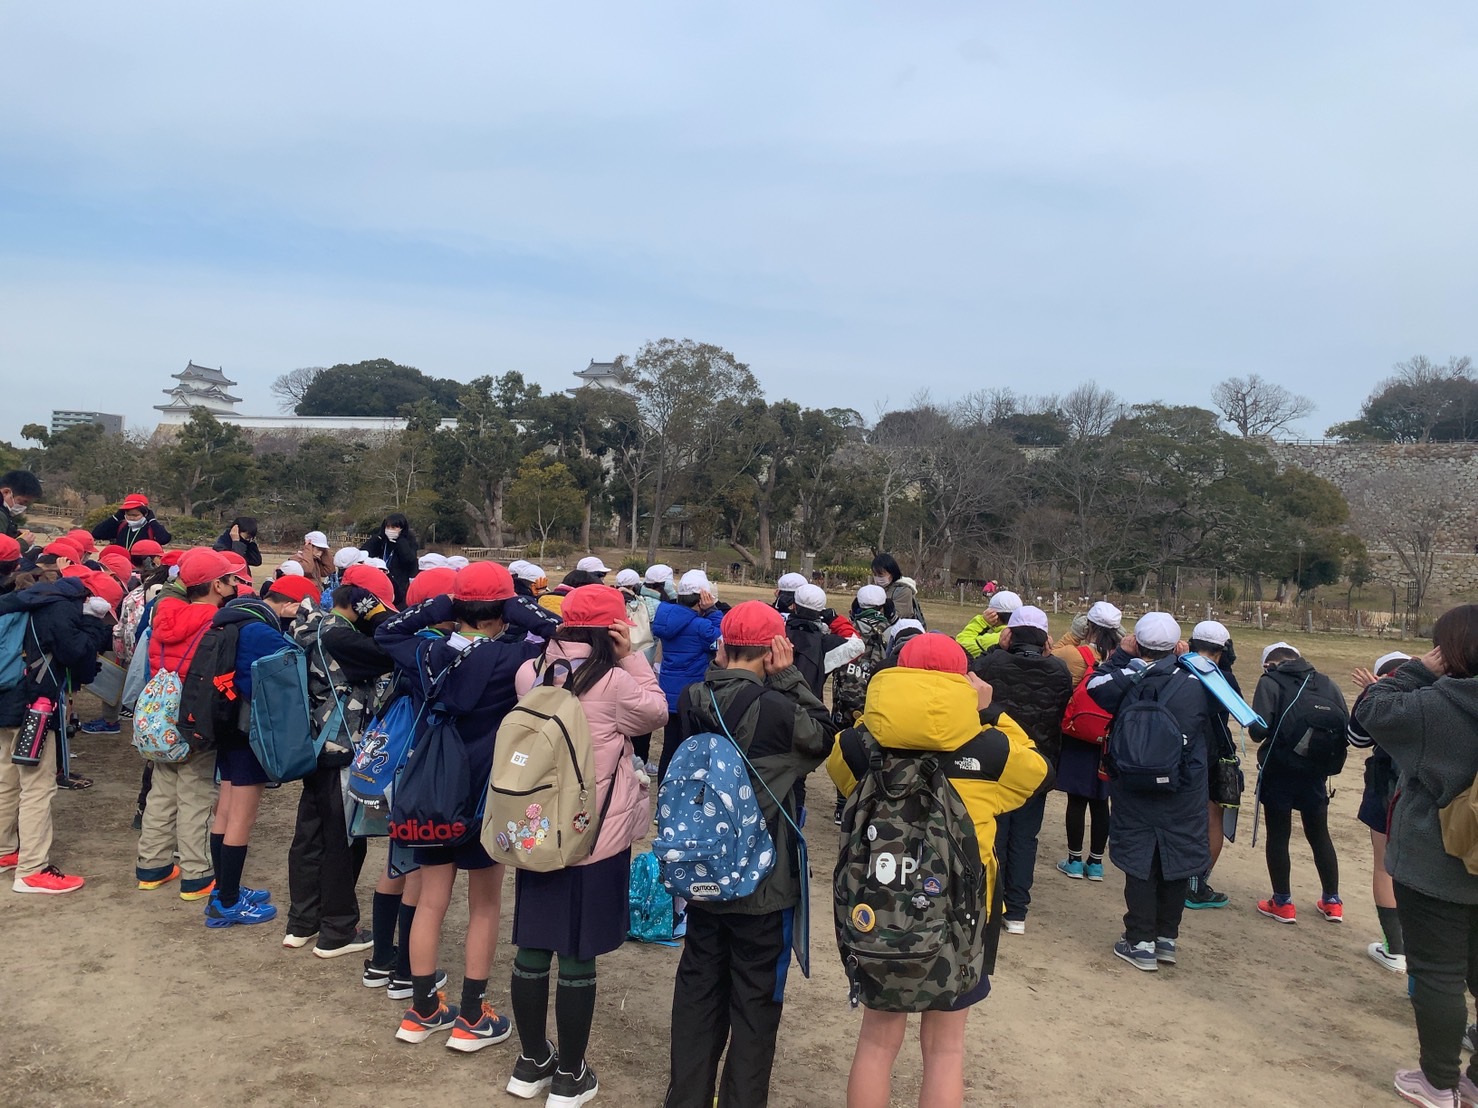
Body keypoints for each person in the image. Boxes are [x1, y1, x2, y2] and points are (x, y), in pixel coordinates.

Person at [828, 633, 1050, 1108]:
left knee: (876, 1041)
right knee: (946, 1048)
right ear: (964, 681)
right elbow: (1036, 773)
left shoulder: (855, 745)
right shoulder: (990, 750)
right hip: (963, 913)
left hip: (879, 908)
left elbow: (845, 781)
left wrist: (879, 713)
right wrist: (991, 713)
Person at [664, 601, 836, 1108]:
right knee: (756, 1004)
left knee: (697, 989)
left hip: (703, 867)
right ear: (774, 651)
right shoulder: (781, 713)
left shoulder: (693, 698)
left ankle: (687, 1097)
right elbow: (822, 737)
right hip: (764, 882)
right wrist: (790, 680)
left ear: (723, 646)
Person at [506, 585, 668, 1104]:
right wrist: (635, 658)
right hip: (593, 833)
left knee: (533, 942)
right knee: (578, 951)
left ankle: (531, 1062)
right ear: (612, 629)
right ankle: (570, 1076)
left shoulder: (531, 672)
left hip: (537, 827)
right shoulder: (617, 681)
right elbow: (656, 713)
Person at [376, 561, 541, 1047]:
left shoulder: (427, 652)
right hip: (486, 793)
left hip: (432, 787)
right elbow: (559, 633)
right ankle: (472, 1015)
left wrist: (443, 603)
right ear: (504, 609)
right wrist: (519, 608)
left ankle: (423, 1008)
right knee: (485, 905)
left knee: (430, 900)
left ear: (456, 608)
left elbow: (387, 630)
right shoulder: (517, 659)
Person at [1354, 606, 1478, 1108]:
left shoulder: (1440, 705)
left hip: (1439, 860)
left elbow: (1371, 710)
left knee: (1438, 973)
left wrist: (1416, 670)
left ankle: (1438, 1082)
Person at [1086, 612, 1213, 971]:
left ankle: (1139, 940)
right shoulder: (1197, 679)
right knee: (1176, 859)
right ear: (1176, 645)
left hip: (1133, 780)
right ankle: (1165, 938)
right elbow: (1229, 705)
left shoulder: (1127, 677)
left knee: (1140, 858)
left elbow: (1093, 688)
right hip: (1184, 785)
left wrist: (1124, 657)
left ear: (1136, 642)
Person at [284, 577, 396, 956]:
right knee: (343, 840)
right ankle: (338, 930)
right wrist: (378, 616)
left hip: (312, 744)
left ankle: (302, 923)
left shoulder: (308, 625)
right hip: (343, 747)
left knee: (309, 836)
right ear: (363, 602)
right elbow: (389, 650)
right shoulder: (342, 637)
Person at [204, 573, 320, 928]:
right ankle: (227, 903)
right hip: (247, 730)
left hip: (223, 724)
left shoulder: (233, 618)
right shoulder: (262, 632)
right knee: (242, 817)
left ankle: (225, 889)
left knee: (224, 810)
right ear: (289, 605)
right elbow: (297, 662)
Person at [0, 569, 113, 893]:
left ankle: (4, 850)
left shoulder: (23, 600)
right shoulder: (61, 609)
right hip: (33, 705)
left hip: (5, 697)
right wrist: (94, 622)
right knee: (37, 786)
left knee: (7, 776)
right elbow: (79, 656)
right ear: (88, 597)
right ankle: (32, 869)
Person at [135, 548, 235, 901]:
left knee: (162, 794)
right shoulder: (217, 622)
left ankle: (152, 866)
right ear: (216, 586)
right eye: (229, 578)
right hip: (193, 718)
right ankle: (197, 873)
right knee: (195, 797)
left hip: (159, 718)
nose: (235, 583)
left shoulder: (163, 614)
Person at [969, 605, 1072, 934]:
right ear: (1046, 641)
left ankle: (988, 904)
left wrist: (995, 647)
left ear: (1008, 634)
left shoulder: (988, 663)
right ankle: (1016, 911)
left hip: (994, 762)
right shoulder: (1059, 671)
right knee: (1026, 838)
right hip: (1036, 766)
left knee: (993, 833)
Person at [1249, 642, 1347, 925]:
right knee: (1319, 835)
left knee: (1279, 836)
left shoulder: (1269, 681)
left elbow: (1258, 731)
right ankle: (1332, 901)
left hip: (1279, 769)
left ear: (1270, 664)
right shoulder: (1327, 683)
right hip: (1316, 772)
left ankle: (1282, 902)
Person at [1348, 651, 1413, 973]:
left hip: (1387, 790)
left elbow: (1356, 738)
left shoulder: (1384, 699)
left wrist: (1372, 694)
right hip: (1433, 795)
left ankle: (1395, 948)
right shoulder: (1435, 695)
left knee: (1385, 867)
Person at [1052, 603, 1122, 881]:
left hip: (1078, 733)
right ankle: (1096, 863)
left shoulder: (1074, 653)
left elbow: (1050, 655)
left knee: (1077, 799)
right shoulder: (1122, 657)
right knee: (1100, 800)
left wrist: (1072, 635)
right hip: (1108, 736)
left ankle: (1074, 859)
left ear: (1088, 625)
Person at [1183, 620, 1243, 911]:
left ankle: (1177, 875)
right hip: (1215, 750)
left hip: (1182, 749)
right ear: (1222, 650)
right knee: (1212, 819)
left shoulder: (1179, 667)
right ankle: (1196, 884)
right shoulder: (1225, 677)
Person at [651, 570, 725, 784]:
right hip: (693, 697)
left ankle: (663, 797)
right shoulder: (701, 626)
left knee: (669, 747)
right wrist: (713, 610)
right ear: (703, 598)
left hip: (669, 694)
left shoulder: (666, 618)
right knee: (692, 749)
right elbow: (720, 640)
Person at [365, 514, 419, 607]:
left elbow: (409, 560)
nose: (390, 530)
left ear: (402, 528)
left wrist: (400, 541)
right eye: (388, 527)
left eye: (394, 527)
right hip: (381, 583)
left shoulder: (409, 542)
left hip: (400, 585)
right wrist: (376, 539)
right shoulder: (383, 542)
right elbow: (364, 553)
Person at [955, 590, 1023, 659]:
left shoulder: (992, 640)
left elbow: (961, 645)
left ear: (993, 615)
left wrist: (982, 621)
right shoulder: (1029, 637)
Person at [91, 493, 172, 550]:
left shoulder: (151, 528)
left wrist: (152, 520)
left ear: (145, 514)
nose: (131, 518)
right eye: (128, 515)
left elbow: (164, 539)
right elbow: (97, 534)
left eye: (135, 515)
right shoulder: (121, 527)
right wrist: (115, 517)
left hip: (144, 570)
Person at [870, 553, 925, 628]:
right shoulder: (875, 589)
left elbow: (896, 616)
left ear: (892, 573)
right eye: (875, 575)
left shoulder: (904, 591)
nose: (877, 578)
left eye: (880, 575)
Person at [0, 470, 42, 557]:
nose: (22, 508)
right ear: (6, 492)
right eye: (22, 502)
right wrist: (22, 544)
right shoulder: (1, 515)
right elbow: (2, 553)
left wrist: (13, 534)